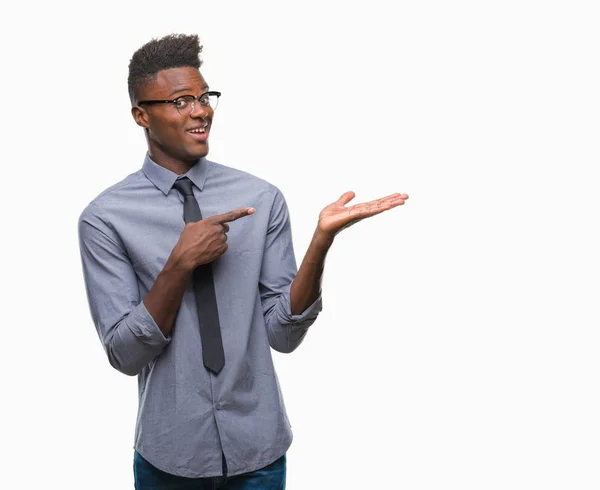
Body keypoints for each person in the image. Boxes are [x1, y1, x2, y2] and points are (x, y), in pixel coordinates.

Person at [78, 33, 408, 489]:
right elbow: (124, 353)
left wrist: (321, 243)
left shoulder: (260, 198)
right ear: (141, 115)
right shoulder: (105, 218)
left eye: (204, 96)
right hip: (169, 457)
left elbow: (282, 333)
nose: (201, 111)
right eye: (180, 101)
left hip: (259, 448)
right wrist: (179, 263)